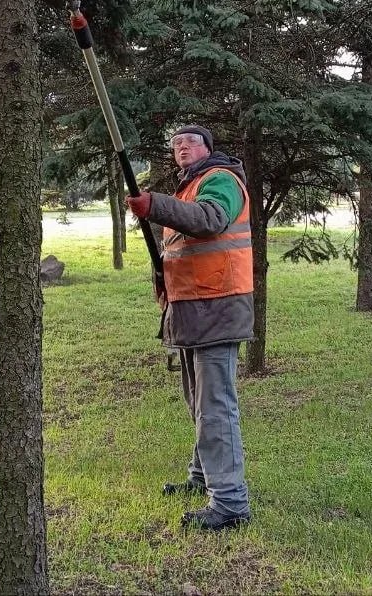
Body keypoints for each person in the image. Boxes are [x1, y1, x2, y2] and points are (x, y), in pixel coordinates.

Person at [125, 124, 254, 532]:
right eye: (176, 143)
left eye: (191, 141)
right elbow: (184, 252)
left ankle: (231, 505)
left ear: (209, 148)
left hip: (217, 307)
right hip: (191, 308)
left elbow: (211, 220)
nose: (182, 147)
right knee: (199, 403)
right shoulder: (187, 189)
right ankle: (202, 480)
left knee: (215, 407)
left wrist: (154, 206)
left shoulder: (222, 181)